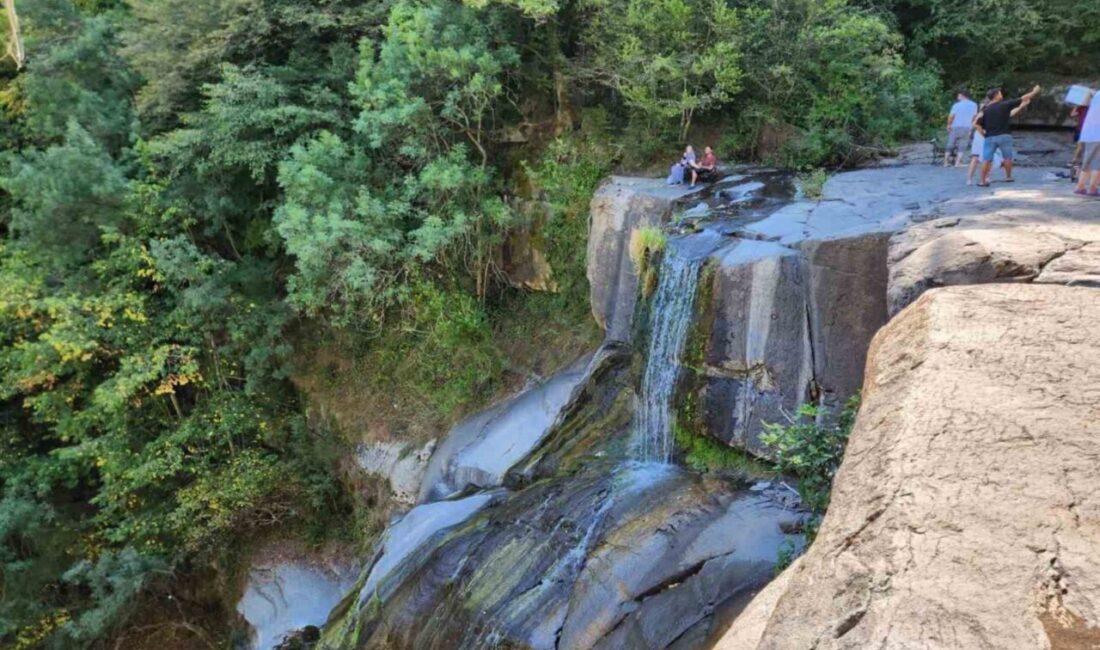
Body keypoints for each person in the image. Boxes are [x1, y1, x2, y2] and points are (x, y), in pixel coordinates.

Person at [973, 84, 1042, 187]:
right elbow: (1023, 98)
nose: (1001, 94)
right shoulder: (1005, 105)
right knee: (1007, 157)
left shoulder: (985, 110)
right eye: (1000, 93)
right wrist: (1034, 92)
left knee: (986, 159)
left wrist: (983, 134)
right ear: (996, 95)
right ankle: (1008, 177)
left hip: (990, 137)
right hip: (1005, 136)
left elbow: (976, 124)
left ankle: (982, 181)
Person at [966, 98, 1029, 185]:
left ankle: (984, 177)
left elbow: (1011, 113)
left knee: (986, 158)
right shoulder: (984, 112)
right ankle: (971, 179)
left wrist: (1021, 105)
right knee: (978, 157)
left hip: (987, 135)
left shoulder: (991, 112)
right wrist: (983, 134)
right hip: (982, 136)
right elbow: (975, 124)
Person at [1073, 88, 1100, 196]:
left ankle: (1080, 186)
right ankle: (1093, 188)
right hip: (1098, 134)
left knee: (1088, 162)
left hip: (1087, 133)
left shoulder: (1097, 94)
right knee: (1097, 163)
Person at [945, 88, 978, 167]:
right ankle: (958, 163)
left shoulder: (956, 105)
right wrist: (972, 128)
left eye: (958, 95)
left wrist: (949, 125)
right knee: (962, 145)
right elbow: (974, 117)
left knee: (950, 144)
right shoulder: (974, 105)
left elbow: (951, 116)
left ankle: (945, 162)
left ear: (962, 96)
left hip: (955, 126)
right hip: (967, 127)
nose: (957, 97)